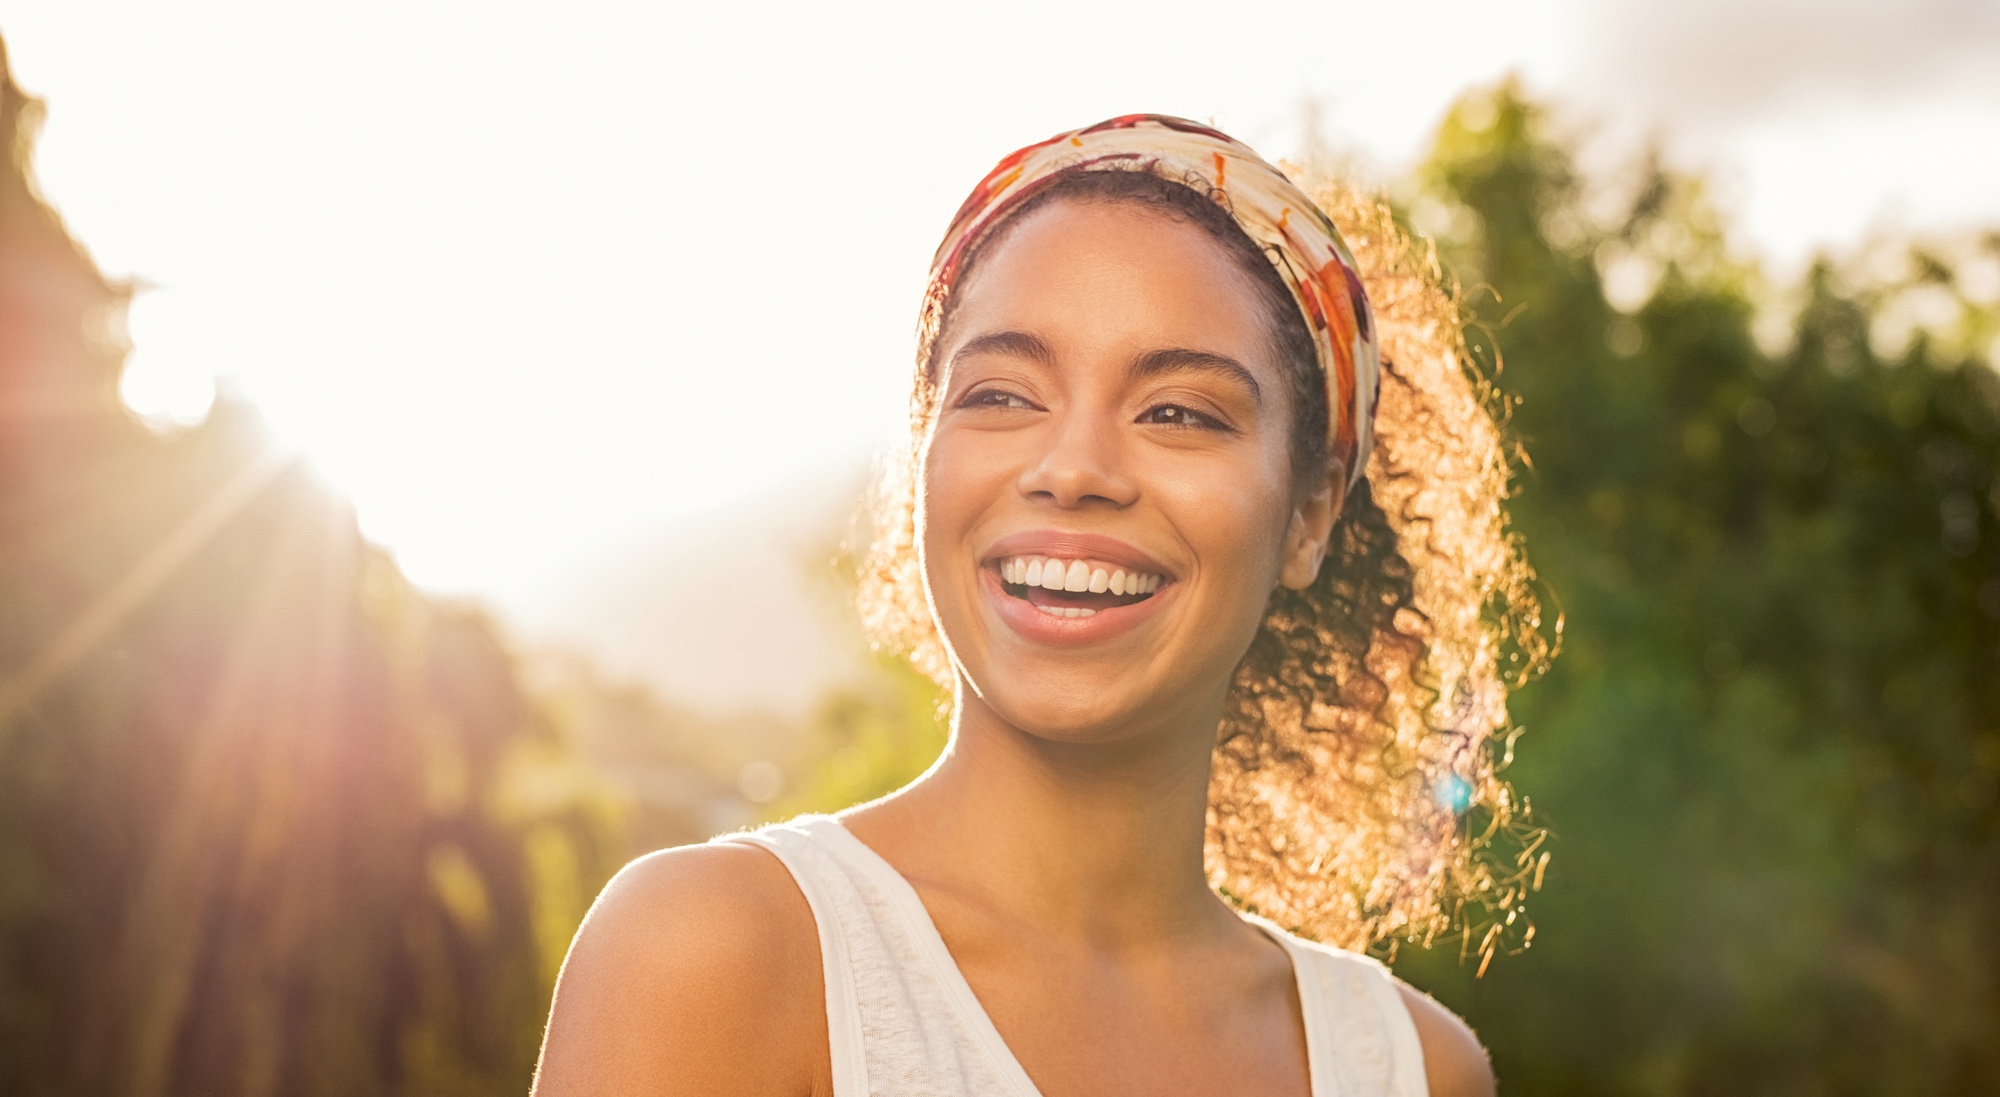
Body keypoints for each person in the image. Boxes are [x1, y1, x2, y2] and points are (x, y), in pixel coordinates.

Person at [533, 114, 1546, 1097]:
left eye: (1178, 412)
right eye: (1002, 394)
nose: (1071, 469)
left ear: (1310, 510)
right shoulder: (715, 952)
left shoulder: (1408, 1066)